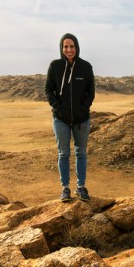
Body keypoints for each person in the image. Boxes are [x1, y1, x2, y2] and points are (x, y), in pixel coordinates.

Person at [45, 33, 95, 202]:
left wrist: (83, 110)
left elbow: (91, 93)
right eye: (65, 46)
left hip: (82, 120)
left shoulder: (85, 67)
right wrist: (57, 108)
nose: (69, 50)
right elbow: (48, 90)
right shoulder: (55, 66)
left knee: (81, 153)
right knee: (63, 153)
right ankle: (65, 188)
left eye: (71, 46)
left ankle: (80, 187)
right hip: (61, 119)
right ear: (61, 48)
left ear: (77, 47)